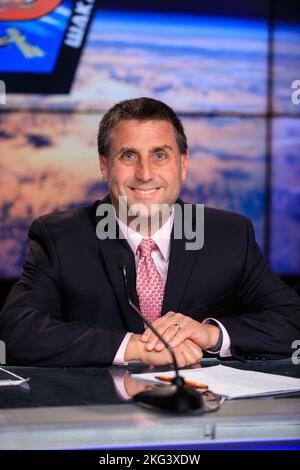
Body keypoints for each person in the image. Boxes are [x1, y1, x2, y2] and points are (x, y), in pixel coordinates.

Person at [0, 97, 299, 368]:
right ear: (104, 166)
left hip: (199, 417)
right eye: (128, 156)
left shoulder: (229, 234)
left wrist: (210, 334)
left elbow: (291, 319)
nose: (144, 174)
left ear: (183, 164)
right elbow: (17, 330)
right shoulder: (60, 238)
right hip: (101, 418)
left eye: (160, 156)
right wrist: (132, 347)